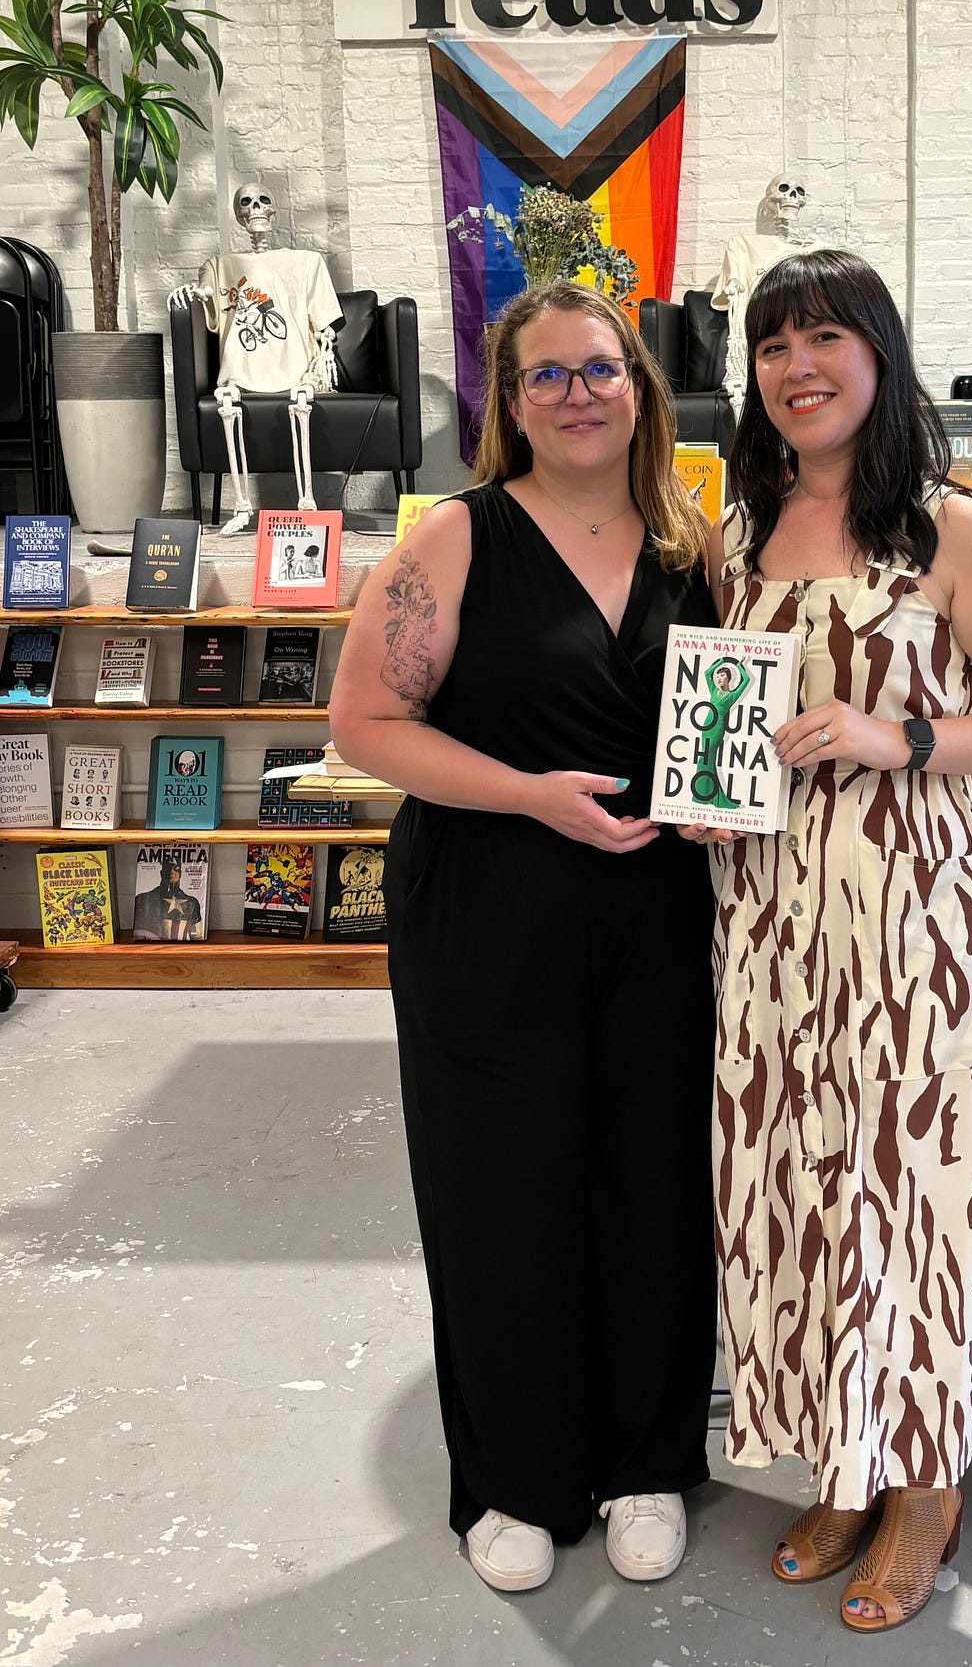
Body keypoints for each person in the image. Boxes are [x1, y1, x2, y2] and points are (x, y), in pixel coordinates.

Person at [690, 249, 972, 1636]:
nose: (797, 365)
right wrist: (709, 796)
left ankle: (928, 1481)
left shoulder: (948, 530)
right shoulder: (731, 531)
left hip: (920, 916)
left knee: (917, 1182)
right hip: (775, 915)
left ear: (879, 352)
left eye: (824, 337)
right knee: (802, 1178)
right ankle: (843, 1457)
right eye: (772, 343)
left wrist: (900, 734)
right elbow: (724, 708)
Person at [329, 281, 719, 1597]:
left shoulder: (694, 540)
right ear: (507, 400)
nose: (574, 393)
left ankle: (647, 1461)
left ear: (639, 386)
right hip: (489, 907)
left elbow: (726, 721)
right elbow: (365, 725)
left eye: (597, 368)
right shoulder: (454, 538)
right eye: (543, 376)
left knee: (656, 1182)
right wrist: (529, 792)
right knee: (503, 1183)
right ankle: (516, 1478)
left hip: (663, 913)